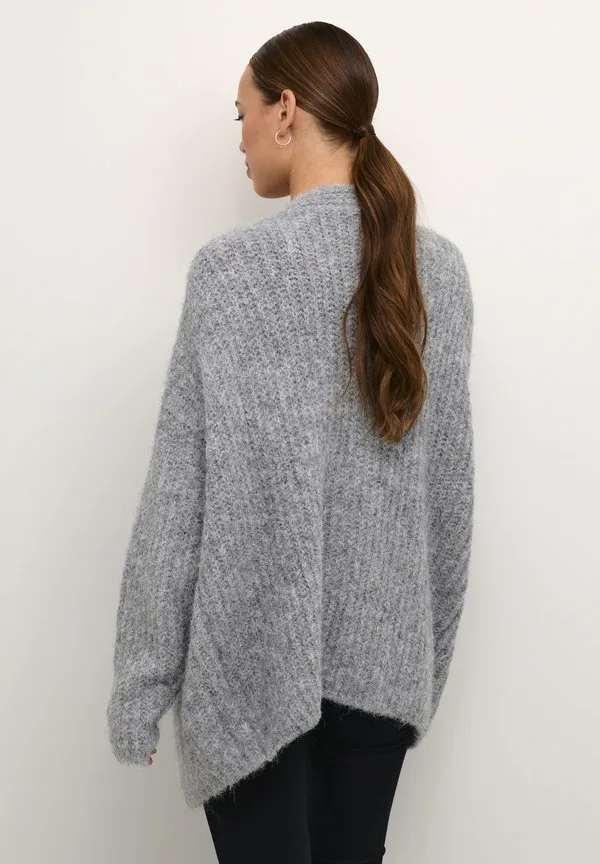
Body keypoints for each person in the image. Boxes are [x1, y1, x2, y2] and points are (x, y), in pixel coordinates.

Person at [106, 20, 475, 864]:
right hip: (384, 675)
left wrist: (141, 684)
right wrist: (422, 664)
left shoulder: (232, 273)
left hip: (251, 669)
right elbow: (449, 507)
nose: (238, 139)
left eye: (241, 115)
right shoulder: (440, 275)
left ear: (286, 110)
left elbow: (179, 497)